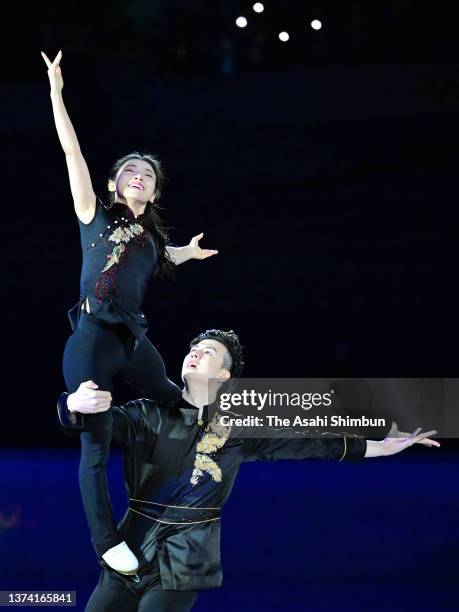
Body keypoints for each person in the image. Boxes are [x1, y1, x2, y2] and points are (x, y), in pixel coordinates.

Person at [57, 329, 440, 612]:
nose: (194, 353)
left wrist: (382, 446)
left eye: (207, 352)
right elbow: (94, 424)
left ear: (224, 376)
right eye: (193, 348)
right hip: (131, 544)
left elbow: (311, 442)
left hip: (187, 554)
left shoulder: (239, 428)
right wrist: (74, 403)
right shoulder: (146, 412)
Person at [41, 49, 218, 575]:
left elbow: (164, 257)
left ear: (155, 190)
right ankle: (106, 540)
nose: (138, 175)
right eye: (129, 171)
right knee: (93, 436)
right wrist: (56, 94)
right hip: (93, 335)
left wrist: (188, 252)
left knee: (174, 398)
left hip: (132, 342)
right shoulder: (94, 214)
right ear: (115, 184)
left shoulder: (151, 238)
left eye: (146, 173)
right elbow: (72, 154)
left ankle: (189, 458)